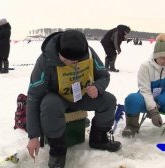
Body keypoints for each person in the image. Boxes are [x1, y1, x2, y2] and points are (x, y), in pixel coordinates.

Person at [26, 30, 122, 168]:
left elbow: (104, 75)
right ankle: (57, 151)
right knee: (49, 104)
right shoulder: (45, 61)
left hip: (83, 95)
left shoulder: (88, 52)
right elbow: (34, 97)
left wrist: (97, 87)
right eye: (66, 61)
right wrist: (33, 136)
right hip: (58, 99)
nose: (71, 64)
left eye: (76, 61)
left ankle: (98, 138)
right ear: (58, 52)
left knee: (109, 100)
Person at [122, 33, 165, 137]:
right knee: (131, 99)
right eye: (162, 58)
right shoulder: (145, 66)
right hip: (145, 100)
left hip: (163, 102)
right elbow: (144, 90)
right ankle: (131, 126)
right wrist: (153, 110)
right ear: (155, 56)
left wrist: (159, 102)